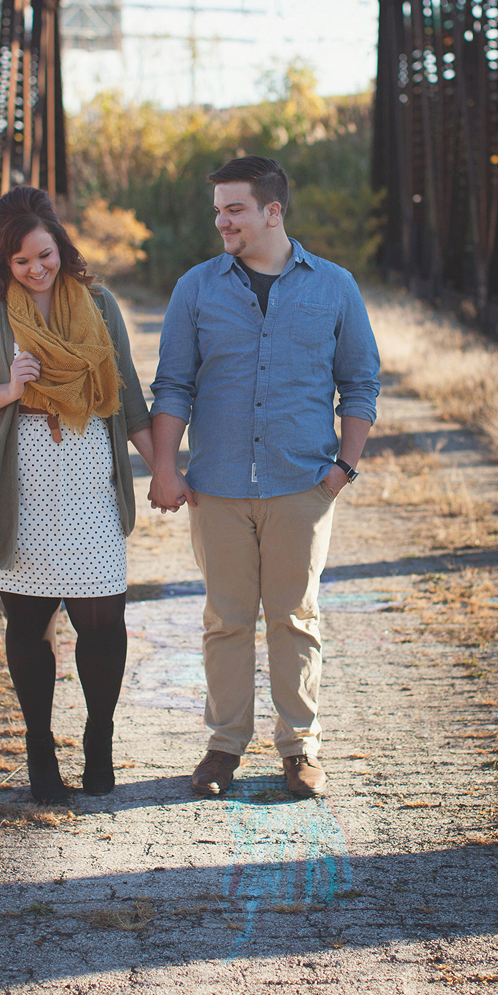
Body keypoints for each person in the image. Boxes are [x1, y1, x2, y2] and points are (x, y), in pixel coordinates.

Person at [148, 156, 380, 799]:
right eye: (218, 209)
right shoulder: (196, 287)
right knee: (225, 620)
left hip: (301, 485)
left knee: (295, 618)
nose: (221, 220)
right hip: (216, 488)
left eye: (234, 209)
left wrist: (341, 469)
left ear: (272, 212)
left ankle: (300, 749)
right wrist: (165, 469)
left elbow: (359, 384)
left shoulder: (334, 286)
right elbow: (173, 385)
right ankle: (223, 747)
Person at [0, 186, 154, 804]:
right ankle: (39, 746)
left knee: (103, 619)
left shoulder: (99, 305)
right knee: (30, 623)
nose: (37, 269)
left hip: (89, 477)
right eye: (22, 262)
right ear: (4, 265)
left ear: (60, 244)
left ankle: (99, 737)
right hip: (18, 486)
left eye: (45, 254)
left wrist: (163, 469)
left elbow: (129, 396)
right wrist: (8, 390)